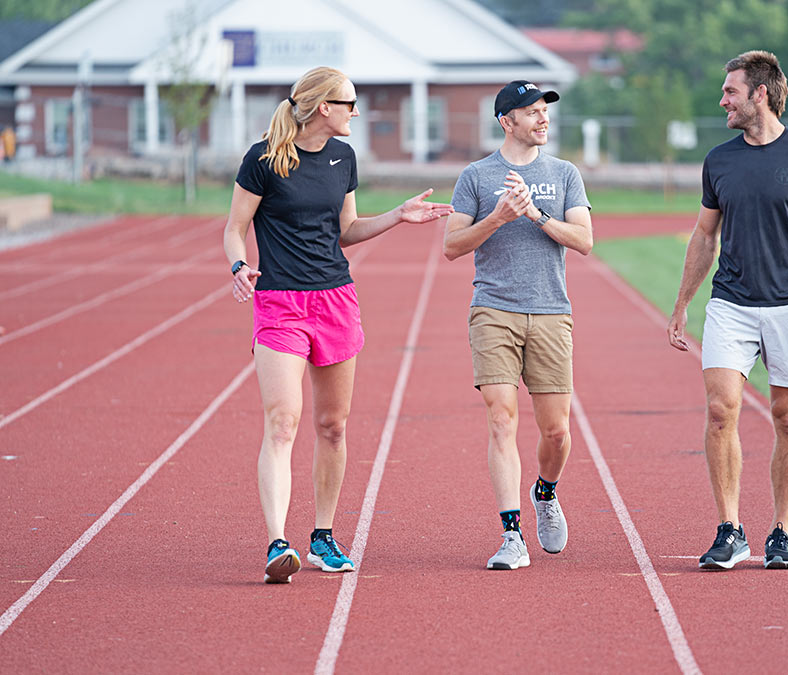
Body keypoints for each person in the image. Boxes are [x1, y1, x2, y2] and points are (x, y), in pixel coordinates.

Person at [223, 66, 453, 584]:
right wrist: (240, 266)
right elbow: (235, 228)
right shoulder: (263, 159)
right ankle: (276, 542)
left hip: (335, 300)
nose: (356, 110)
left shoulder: (343, 157)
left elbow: (346, 230)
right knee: (283, 423)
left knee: (333, 426)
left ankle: (322, 537)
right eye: (350, 103)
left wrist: (397, 216)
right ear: (324, 107)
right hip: (280, 303)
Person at [666, 50, 788, 570]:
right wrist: (682, 303)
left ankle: (781, 533)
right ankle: (730, 530)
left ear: (760, 94)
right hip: (731, 303)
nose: (722, 100)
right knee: (721, 408)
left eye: (730, 91)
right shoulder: (719, 160)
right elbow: (705, 235)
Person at [443, 80, 593, 570]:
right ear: (506, 121)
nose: (542, 119)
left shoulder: (565, 173)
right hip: (493, 308)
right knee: (501, 417)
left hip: (551, 310)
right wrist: (498, 218)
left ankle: (544, 492)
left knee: (556, 432)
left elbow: (584, 240)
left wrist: (534, 213)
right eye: (531, 112)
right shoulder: (477, 176)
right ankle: (512, 536)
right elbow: (453, 245)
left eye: (544, 111)